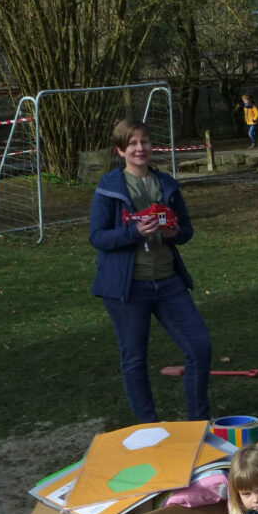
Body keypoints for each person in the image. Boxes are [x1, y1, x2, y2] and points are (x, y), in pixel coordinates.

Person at [89, 118, 212, 424]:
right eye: (131, 143)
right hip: (127, 287)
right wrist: (134, 233)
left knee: (199, 347)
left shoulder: (167, 184)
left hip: (168, 282)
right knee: (134, 358)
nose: (139, 148)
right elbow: (98, 237)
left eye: (144, 141)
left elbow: (186, 229)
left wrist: (174, 233)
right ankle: (149, 425)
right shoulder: (108, 189)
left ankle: (198, 422)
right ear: (120, 150)